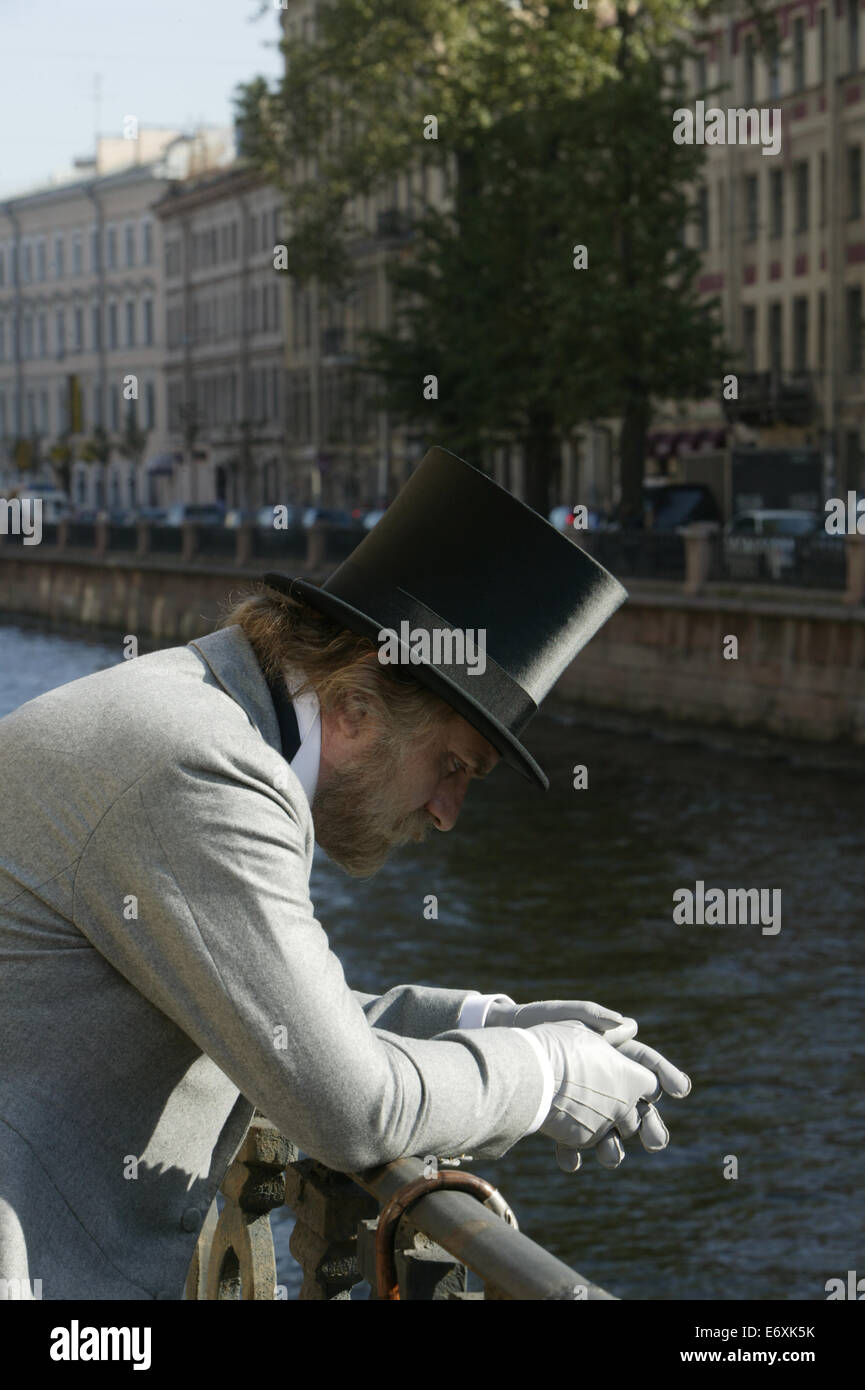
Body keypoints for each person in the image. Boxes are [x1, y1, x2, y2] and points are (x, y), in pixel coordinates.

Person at [0, 446, 689, 1301]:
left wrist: (483, 1019)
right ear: (358, 703)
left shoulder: (190, 710)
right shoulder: (209, 771)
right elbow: (348, 1107)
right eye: (454, 766)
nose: (446, 813)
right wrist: (545, 1075)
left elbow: (251, 1001)